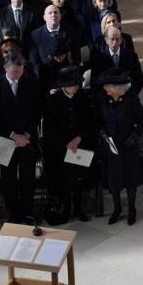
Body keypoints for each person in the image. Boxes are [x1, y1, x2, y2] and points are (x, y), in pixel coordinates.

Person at [0, 53, 41, 224]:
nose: (17, 74)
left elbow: (38, 111)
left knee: (28, 177)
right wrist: (12, 135)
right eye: (14, 71)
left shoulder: (31, 82)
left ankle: (28, 211)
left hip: (27, 138)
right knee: (8, 179)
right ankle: (14, 212)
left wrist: (28, 134)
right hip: (4, 140)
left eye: (20, 71)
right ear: (5, 68)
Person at [42, 66, 96, 223]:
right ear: (65, 86)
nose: (76, 87)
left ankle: (79, 208)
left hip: (81, 145)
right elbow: (50, 128)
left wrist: (79, 138)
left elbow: (91, 124)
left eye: (78, 84)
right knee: (63, 179)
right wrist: (65, 144)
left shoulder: (84, 98)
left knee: (80, 178)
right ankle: (65, 208)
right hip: (59, 148)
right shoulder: (53, 101)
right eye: (73, 85)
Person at [95, 68, 143, 225]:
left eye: (108, 85)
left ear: (117, 88)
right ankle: (117, 208)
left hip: (128, 145)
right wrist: (104, 135)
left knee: (130, 180)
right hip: (111, 147)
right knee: (114, 181)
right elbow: (98, 121)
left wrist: (134, 137)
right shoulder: (102, 99)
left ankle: (132, 208)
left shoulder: (131, 100)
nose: (105, 88)